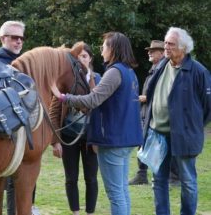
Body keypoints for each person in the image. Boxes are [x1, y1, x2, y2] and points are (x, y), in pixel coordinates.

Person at [52, 32, 143, 215]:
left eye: (104, 47)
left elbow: (92, 100)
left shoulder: (114, 72)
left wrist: (61, 96)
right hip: (126, 139)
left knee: (115, 193)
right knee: (122, 190)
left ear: (113, 49)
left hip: (113, 141)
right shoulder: (130, 72)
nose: (102, 51)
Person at [143, 27, 211, 215]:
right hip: (158, 134)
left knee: (188, 181)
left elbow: (208, 107)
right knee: (158, 180)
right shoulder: (161, 65)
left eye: (171, 44)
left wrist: (191, 127)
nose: (166, 47)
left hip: (184, 136)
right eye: (165, 42)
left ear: (183, 48)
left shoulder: (198, 71)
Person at [0, 20, 40, 215]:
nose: (18, 42)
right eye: (14, 37)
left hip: (25, 135)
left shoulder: (24, 64)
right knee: (12, 184)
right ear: (3, 38)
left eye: (21, 38)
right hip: (6, 135)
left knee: (25, 183)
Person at [51, 42, 100, 215]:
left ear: (91, 58)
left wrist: (90, 77)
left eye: (85, 56)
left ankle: (90, 212)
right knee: (71, 177)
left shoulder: (99, 79)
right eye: (78, 57)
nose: (81, 60)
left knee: (91, 178)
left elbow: (97, 103)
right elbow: (54, 112)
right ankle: (75, 212)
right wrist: (55, 141)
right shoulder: (66, 82)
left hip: (90, 138)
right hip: (69, 136)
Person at [129, 40, 165, 185]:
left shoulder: (163, 70)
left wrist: (146, 98)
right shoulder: (154, 68)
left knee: (158, 146)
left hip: (155, 116)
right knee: (142, 144)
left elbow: (165, 92)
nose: (149, 52)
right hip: (146, 113)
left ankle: (165, 176)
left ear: (161, 53)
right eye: (149, 50)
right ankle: (142, 175)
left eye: (153, 50)